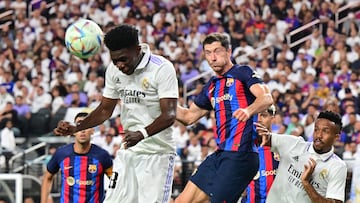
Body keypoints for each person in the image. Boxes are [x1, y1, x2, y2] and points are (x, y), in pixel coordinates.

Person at [53, 24, 179, 203]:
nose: (119, 65)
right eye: (115, 61)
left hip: (157, 154)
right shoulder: (114, 70)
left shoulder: (161, 68)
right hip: (129, 151)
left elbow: (170, 114)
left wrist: (141, 134)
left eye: (123, 59)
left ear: (137, 50)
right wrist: (76, 128)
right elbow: (105, 109)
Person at [175, 33, 273, 203]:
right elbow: (188, 117)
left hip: (242, 155)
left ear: (229, 51)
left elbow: (266, 98)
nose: (212, 58)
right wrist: (159, 100)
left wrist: (248, 111)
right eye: (208, 53)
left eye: (217, 51)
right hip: (220, 154)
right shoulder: (211, 86)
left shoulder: (243, 72)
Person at [255, 111, 347, 203]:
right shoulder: (294, 144)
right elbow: (263, 138)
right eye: (316, 129)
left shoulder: (338, 166)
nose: (319, 135)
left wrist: (306, 183)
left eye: (325, 131)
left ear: (336, 137)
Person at [41, 112, 113, 203]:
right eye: (79, 126)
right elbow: (47, 178)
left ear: (92, 130)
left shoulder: (102, 156)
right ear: (73, 131)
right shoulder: (62, 154)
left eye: (86, 126)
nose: (82, 130)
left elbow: (115, 181)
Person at [241, 104, 279, 203]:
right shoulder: (244, 148)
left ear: (272, 119)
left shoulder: (282, 147)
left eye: (263, 115)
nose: (258, 120)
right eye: (255, 116)